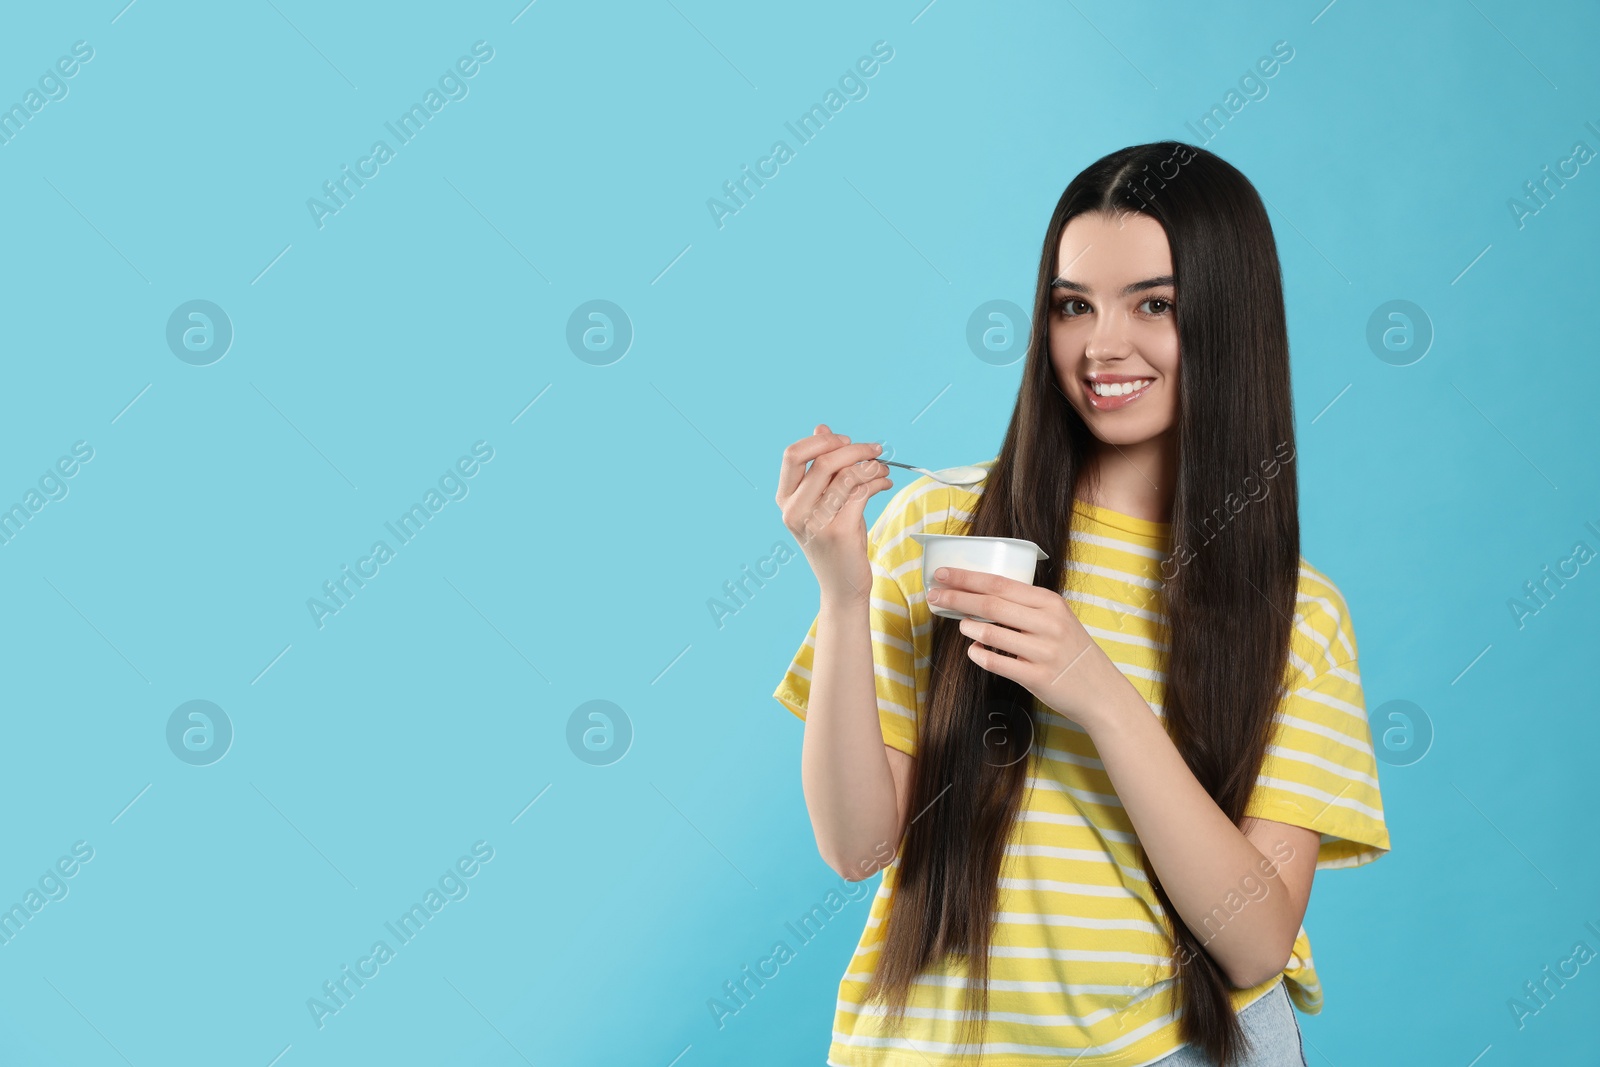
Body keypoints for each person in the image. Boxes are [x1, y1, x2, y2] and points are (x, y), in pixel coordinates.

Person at [769, 141, 1389, 1067]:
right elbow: (857, 847)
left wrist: (1093, 688)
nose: (1102, 346)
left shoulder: (1297, 611)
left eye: (1155, 304)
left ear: (1230, 320)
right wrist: (842, 591)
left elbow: (1257, 941)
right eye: (1073, 306)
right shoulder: (944, 526)